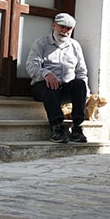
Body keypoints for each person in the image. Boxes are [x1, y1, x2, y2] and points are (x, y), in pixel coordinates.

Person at [26, 12, 89, 143]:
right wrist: (46, 74)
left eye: (68, 29)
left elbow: (81, 71)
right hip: (43, 88)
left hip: (65, 88)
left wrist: (85, 93)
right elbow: (31, 66)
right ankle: (56, 128)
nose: (64, 31)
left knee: (80, 83)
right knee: (49, 85)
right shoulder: (41, 43)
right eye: (62, 27)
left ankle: (77, 128)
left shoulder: (75, 46)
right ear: (54, 25)